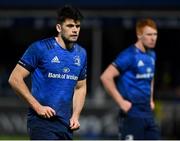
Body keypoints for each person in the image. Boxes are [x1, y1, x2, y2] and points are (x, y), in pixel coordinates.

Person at [8, 5, 87, 140]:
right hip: (41, 122)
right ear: (59, 28)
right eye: (70, 26)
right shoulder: (40, 48)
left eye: (77, 26)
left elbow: (80, 87)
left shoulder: (81, 53)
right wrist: (37, 107)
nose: (75, 30)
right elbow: (15, 79)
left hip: (65, 125)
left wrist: (75, 116)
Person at [100, 18, 160, 140]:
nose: (153, 38)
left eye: (155, 34)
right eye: (149, 34)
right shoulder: (129, 55)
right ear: (139, 35)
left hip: (147, 113)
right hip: (131, 113)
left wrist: (151, 99)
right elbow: (106, 77)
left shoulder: (152, 55)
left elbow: (150, 77)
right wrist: (121, 102)